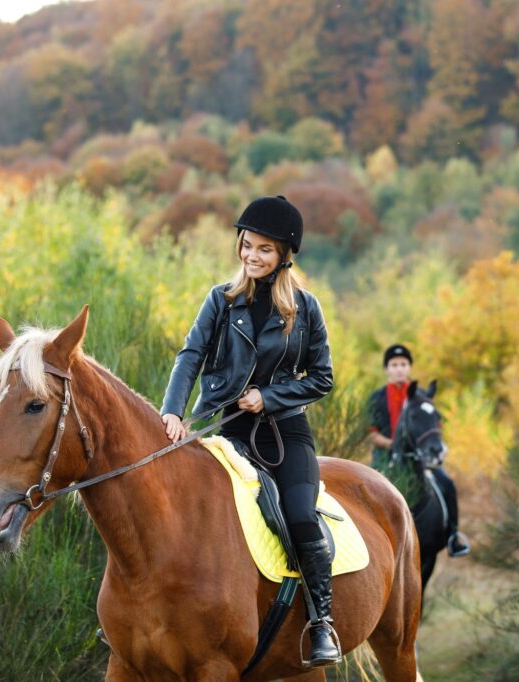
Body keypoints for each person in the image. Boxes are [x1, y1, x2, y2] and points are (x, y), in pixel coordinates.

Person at [160, 195, 341, 667]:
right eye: (246, 245)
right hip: (220, 430)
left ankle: (322, 622)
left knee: (301, 516)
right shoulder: (220, 300)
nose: (251, 256)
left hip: (283, 435)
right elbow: (190, 357)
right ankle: (145, 610)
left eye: (264, 249)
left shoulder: (306, 308)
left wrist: (270, 397)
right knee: (169, 510)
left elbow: (323, 378)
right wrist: (173, 413)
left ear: (284, 255)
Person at [367, 344, 471, 557]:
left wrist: (436, 448)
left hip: (419, 460)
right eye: (394, 365)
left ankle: (453, 536)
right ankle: (365, 536)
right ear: (386, 369)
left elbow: (434, 428)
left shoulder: (422, 396)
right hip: (385, 460)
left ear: (409, 368)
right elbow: (370, 433)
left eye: (403, 364)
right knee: (365, 492)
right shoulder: (376, 398)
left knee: (448, 484)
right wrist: (392, 444)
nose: (399, 369)